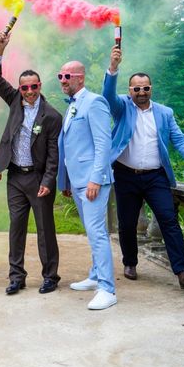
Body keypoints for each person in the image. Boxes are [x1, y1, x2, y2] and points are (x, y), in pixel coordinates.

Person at [103, 46, 184, 288]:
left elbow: (180, 139)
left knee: (168, 220)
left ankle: (182, 271)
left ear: (151, 89)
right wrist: (113, 68)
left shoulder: (164, 113)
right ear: (130, 90)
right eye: (137, 89)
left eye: (146, 88)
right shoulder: (121, 107)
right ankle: (130, 261)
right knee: (127, 223)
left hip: (156, 177)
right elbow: (108, 96)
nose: (142, 92)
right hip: (126, 175)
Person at [0, 32, 62, 296]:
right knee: (16, 227)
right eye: (24, 87)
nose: (29, 91)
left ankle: (51, 276)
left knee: (45, 230)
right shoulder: (14, 102)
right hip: (16, 177)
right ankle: (16, 277)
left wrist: (48, 181)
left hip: (38, 179)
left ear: (40, 86)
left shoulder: (52, 115)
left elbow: (54, 153)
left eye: (33, 87)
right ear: (20, 89)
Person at [57, 59, 116, 310]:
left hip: (94, 181)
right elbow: (71, 147)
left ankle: (107, 288)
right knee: (91, 231)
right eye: (60, 76)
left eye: (66, 76)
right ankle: (94, 275)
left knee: (97, 233)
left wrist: (95, 178)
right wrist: (67, 180)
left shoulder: (94, 102)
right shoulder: (72, 106)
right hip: (78, 180)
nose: (62, 80)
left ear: (80, 78)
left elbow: (103, 144)